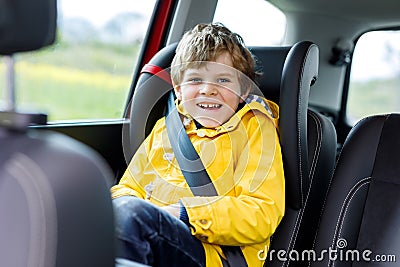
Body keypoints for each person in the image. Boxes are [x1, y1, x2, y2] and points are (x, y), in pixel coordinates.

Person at [111, 23, 285, 267]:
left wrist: (184, 213)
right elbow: (127, 189)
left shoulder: (255, 131)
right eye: (195, 79)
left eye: (223, 80)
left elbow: (261, 212)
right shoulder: (167, 128)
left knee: (132, 216)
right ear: (179, 89)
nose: (208, 90)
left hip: (215, 254)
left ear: (243, 90)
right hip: (151, 230)